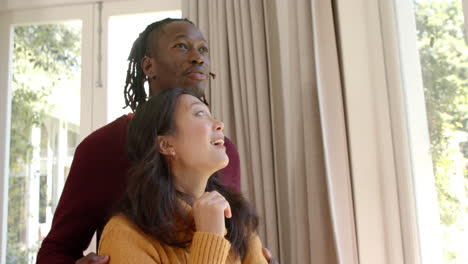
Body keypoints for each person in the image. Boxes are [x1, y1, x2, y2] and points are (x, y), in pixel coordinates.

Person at [36, 18, 277, 264]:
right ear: (149, 66)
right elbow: (56, 250)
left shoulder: (222, 151)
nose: (198, 58)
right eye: (182, 46)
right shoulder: (100, 149)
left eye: (203, 49)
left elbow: (227, 234)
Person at [99, 88, 266, 263]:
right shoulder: (124, 234)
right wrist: (210, 237)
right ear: (166, 144)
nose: (219, 123)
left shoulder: (236, 218)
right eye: (200, 114)